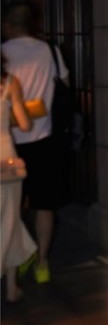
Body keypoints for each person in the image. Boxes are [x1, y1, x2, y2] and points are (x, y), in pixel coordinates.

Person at [2, 2, 70, 284]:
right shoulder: (50, 51)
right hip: (44, 138)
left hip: (9, 142)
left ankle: (13, 269)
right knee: (45, 204)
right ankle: (42, 263)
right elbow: (63, 81)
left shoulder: (3, 53)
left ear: (8, 24)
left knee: (10, 209)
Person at [0, 54, 37, 303]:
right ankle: (11, 288)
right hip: (7, 159)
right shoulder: (10, 83)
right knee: (10, 220)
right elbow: (25, 125)